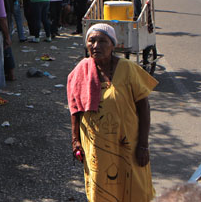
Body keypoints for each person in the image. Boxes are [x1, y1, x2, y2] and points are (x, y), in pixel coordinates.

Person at [67, 24, 157, 202]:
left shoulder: (128, 69)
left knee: (134, 185)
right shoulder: (81, 70)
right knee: (100, 185)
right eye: (91, 41)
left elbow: (144, 108)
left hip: (128, 143)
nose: (96, 46)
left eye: (102, 41)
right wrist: (75, 140)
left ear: (113, 44)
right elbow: (75, 109)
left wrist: (143, 145)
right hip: (96, 146)